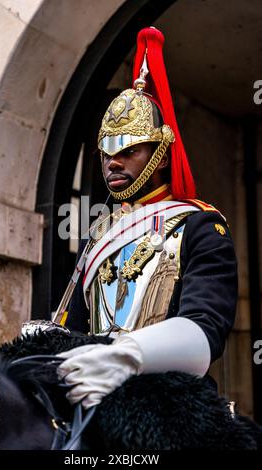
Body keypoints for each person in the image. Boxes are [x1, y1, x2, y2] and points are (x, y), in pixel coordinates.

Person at [57, 27, 238, 410]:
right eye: (107, 150)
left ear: (161, 151)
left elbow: (206, 330)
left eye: (130, 149)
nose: (114, 162)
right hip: (96, 395)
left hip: (170, 399)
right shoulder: (100, 234)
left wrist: (126, 355)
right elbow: (74, 330)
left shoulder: (200, 226)